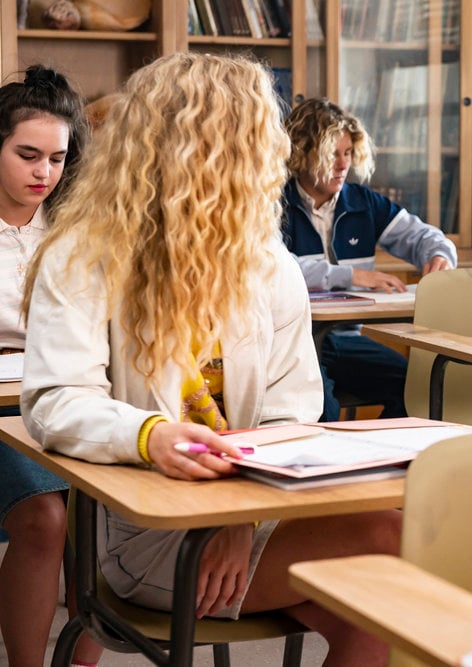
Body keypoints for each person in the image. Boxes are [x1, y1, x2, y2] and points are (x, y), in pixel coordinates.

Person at [20, 53, 401, 665]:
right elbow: (56, 402)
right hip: (150, 527)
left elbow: (291, 414)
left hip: (251, 514)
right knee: (389, 543)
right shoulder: (84, 257)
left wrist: (238, 520)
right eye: (251, 141)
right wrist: (151, 434)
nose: (269, 157)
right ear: (191, 151)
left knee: (382, 609)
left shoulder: (269, 263)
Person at [0, 65, 103, 667]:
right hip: (1, 414)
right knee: (44, 517)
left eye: (58, 159)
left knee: (104, 518)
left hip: (68, 395)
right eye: (27, 155)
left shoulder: (77, 229)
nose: (44, 173)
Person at [281, 98, 457, 421]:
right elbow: (278, 268)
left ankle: (382, 462)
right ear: (302, 153)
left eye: (347, 153)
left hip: (347, 341)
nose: (342, 164)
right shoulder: (275, 203)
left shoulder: (363, 202)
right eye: (331, 154)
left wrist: (439, 255)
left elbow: (423, 235)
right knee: (322, 408)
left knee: (418, 388)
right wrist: (351, 277)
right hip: (295, 345)